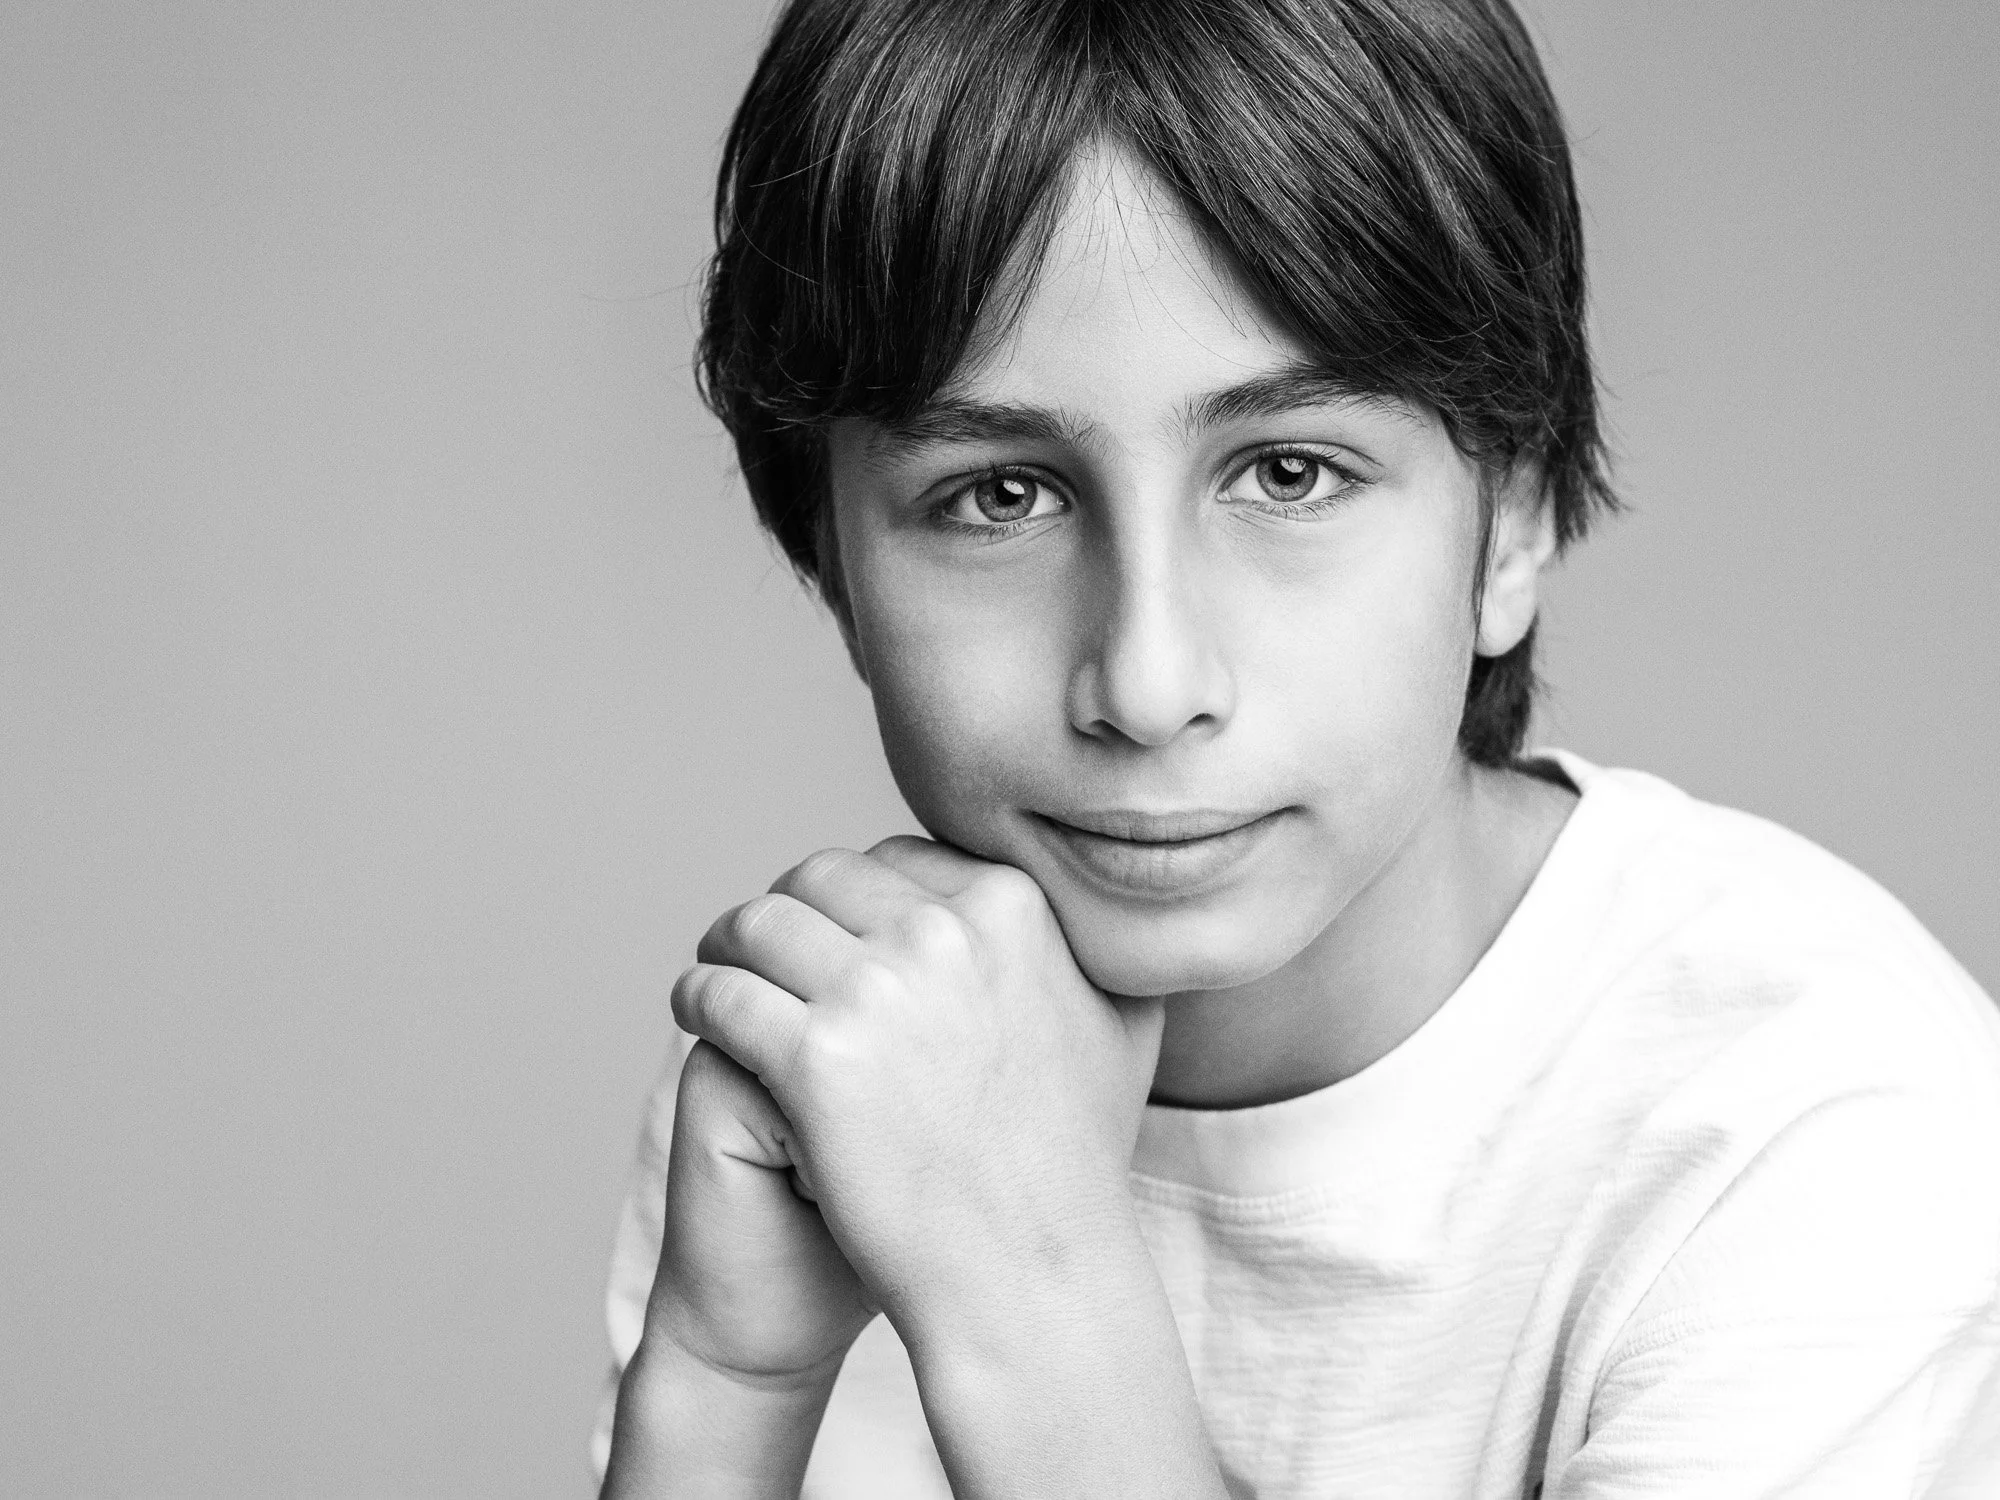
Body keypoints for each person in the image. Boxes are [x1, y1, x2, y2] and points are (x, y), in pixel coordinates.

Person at [595, 1, 2000, 1494]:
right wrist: (726, 1378)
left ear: (1510, 516)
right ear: (832, 559)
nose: (1148, 681)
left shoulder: (1818, 1126)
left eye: (1287, 471)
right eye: (999, 495)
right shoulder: (864, 1050)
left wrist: (1031, 1289)